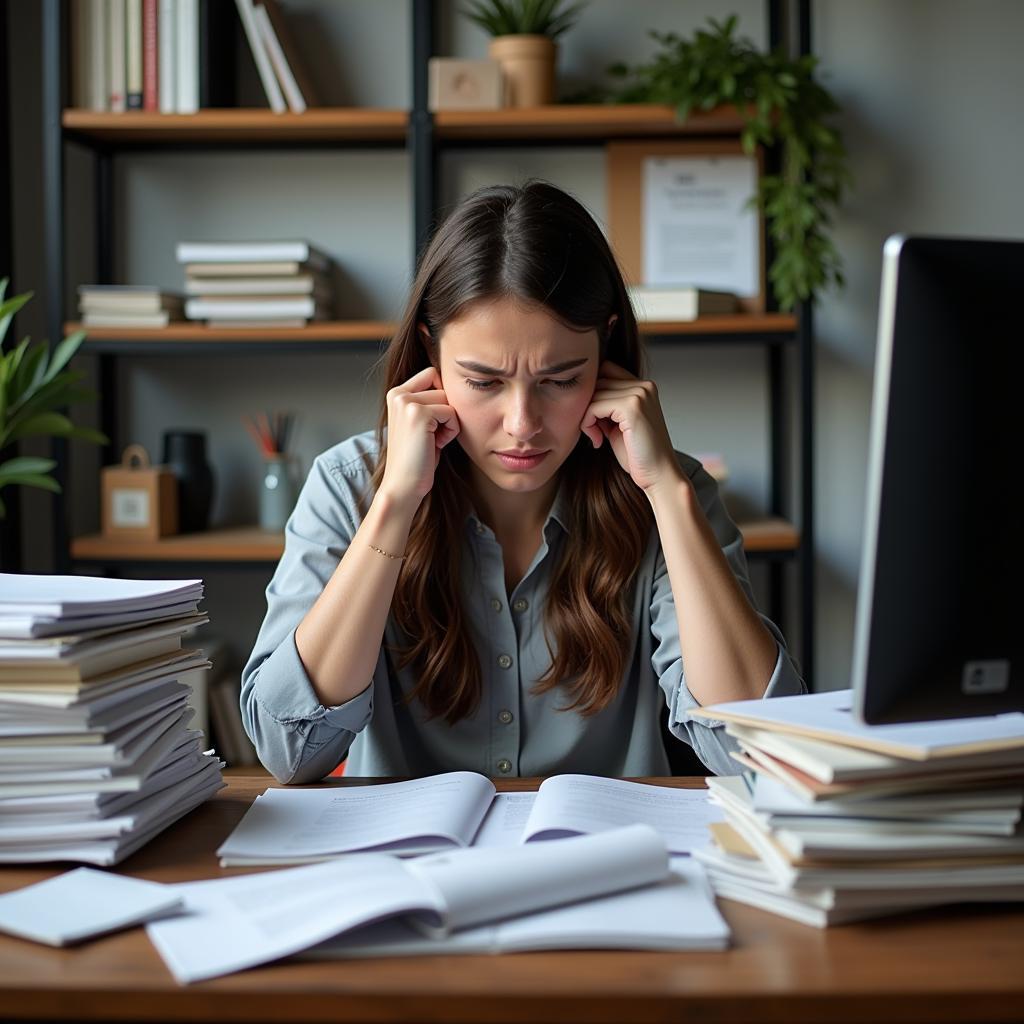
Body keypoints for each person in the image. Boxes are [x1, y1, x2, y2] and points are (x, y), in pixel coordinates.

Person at [241, 180, 805, 784]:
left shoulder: (670, 493)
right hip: (407, 871)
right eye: (483, 382)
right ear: (430, 353)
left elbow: (758, 756)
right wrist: (396, 503)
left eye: (560, 380)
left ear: (606, 352)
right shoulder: (348, 486)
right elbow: (290, 751)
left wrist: (667, 493)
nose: (522, 426)